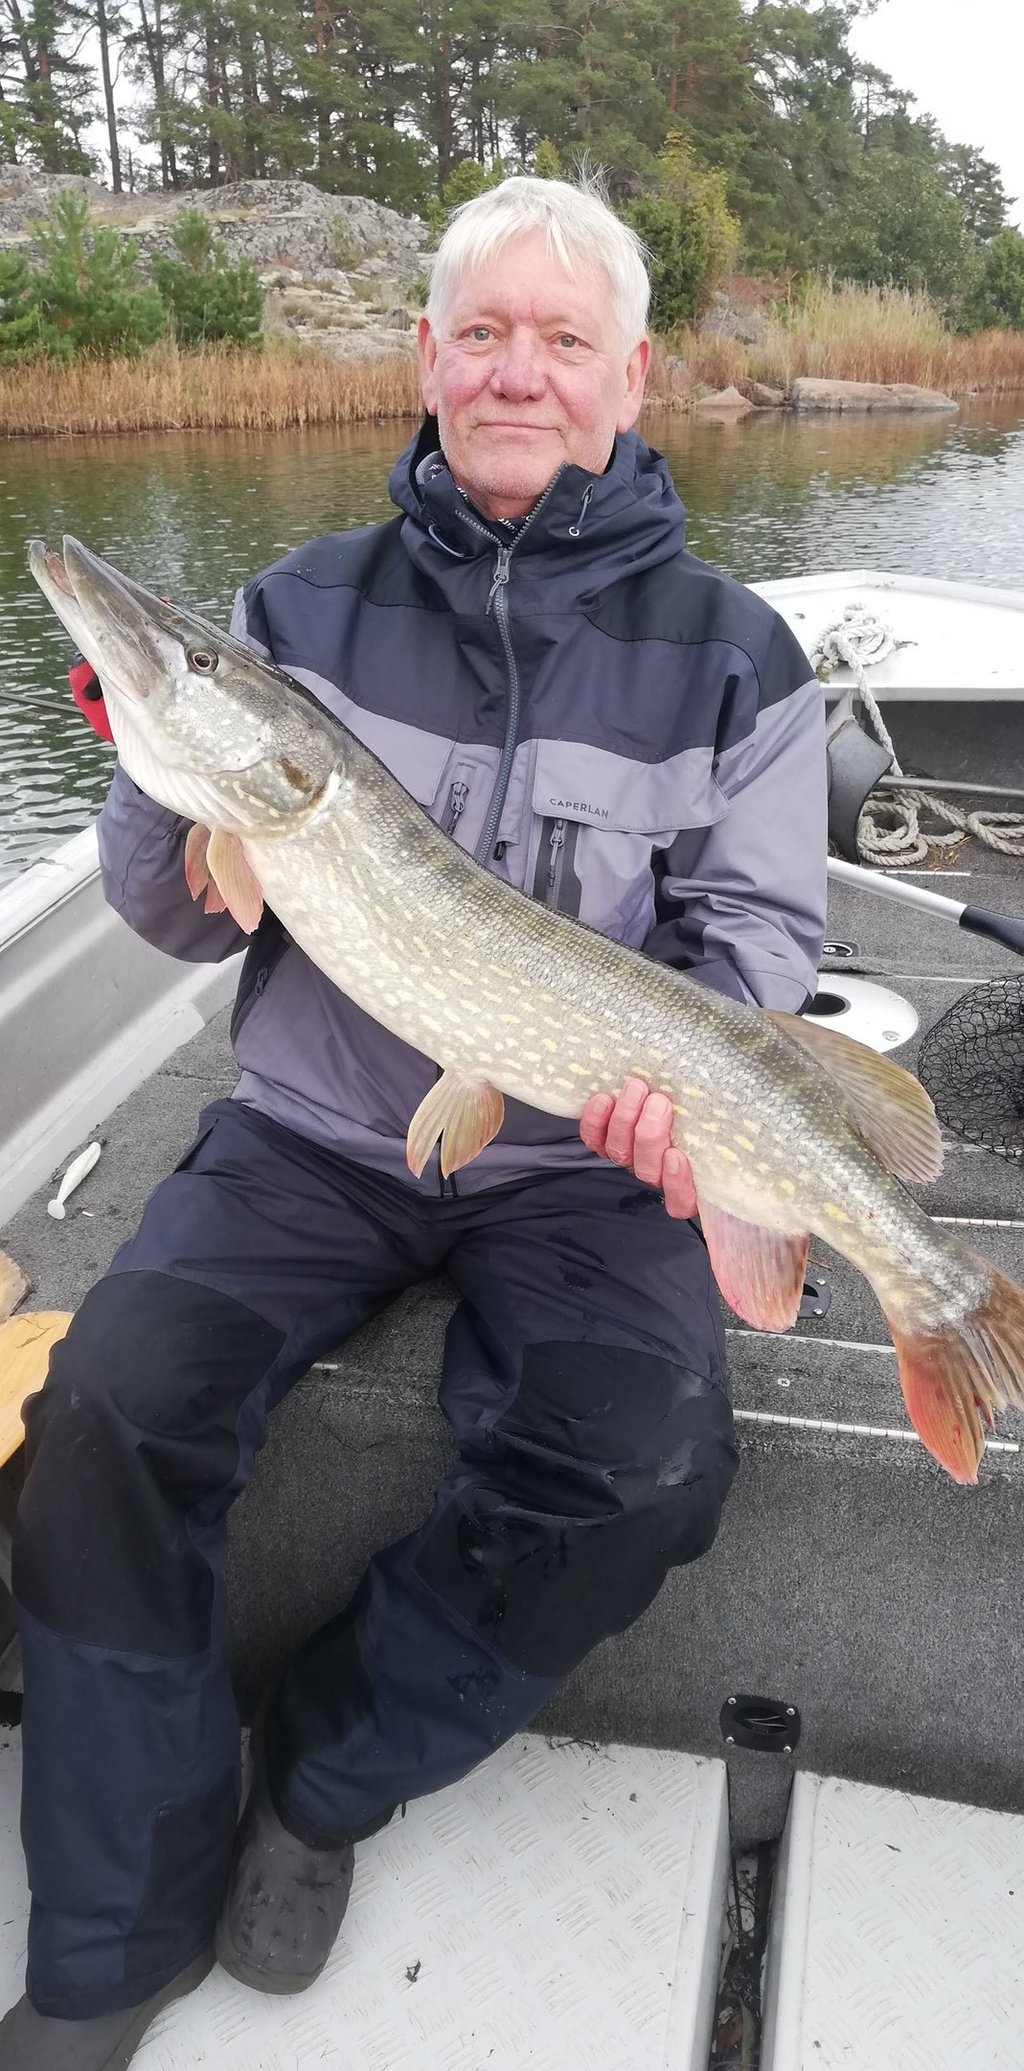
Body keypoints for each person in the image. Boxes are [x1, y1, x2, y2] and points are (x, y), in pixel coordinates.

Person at [0, 171, 826, 2069]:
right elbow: (156, 905)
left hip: (582, 1160)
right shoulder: (287, 609)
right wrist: (155, 768)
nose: (515, 370)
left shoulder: (742, 657)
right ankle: (116, 1929)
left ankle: (319, 1775)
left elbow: (759, 938)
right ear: (427, 358)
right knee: (112, 1404)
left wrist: (685, 1086)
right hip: (311, 1121)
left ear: (632, 374)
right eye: (480, 331)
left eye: (561, 339)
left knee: (641, 1466)